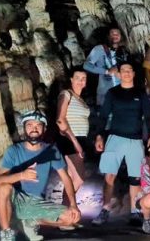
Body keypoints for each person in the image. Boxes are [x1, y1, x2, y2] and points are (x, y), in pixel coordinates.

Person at [0, 111, 81, 241]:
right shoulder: (14, 151)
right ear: (24, 128)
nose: (34, 129)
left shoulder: (52, 150)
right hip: (15, 198)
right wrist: (21, 175)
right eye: (30, 125)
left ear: (44, 129)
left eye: (38, 125)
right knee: (3, 188)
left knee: (71, 218)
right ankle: (6, 233)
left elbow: (66, 178)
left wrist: (74, 204)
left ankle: (31, 221)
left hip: (35, 201)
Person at [92, 61, 150, 226]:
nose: (126, 73)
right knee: (109, 175)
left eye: (129, 70)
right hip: (115, 137)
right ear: (119, 74)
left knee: (135, 177)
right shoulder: (113, 93)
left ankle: (135, 212)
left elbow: (148, 115)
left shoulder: (141, 94)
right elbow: (104, 115)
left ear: (134, 74)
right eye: (123, 70)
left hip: (135, 139)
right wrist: (99, 136)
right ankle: (105, 209)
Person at [55, 66, 90, 214]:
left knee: (70, 180)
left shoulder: (81, 99)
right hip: (69, 139)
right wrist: (75, 142)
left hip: (79, 139)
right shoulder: (66, 94)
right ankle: (65, 212)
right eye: (77, 78)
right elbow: (60, 120)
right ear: (71, 80)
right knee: (79, 179)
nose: (80, 81)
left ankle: (67, 214)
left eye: (83, 79)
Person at [83, 27, 130, 106]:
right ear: (108, 36)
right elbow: (86, 65)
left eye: (117, 33)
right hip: (105, 93)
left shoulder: (124, 52)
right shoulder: (99, 49)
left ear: (121, 36)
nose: (115, 35)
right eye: (112, 33)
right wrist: (106, 71)